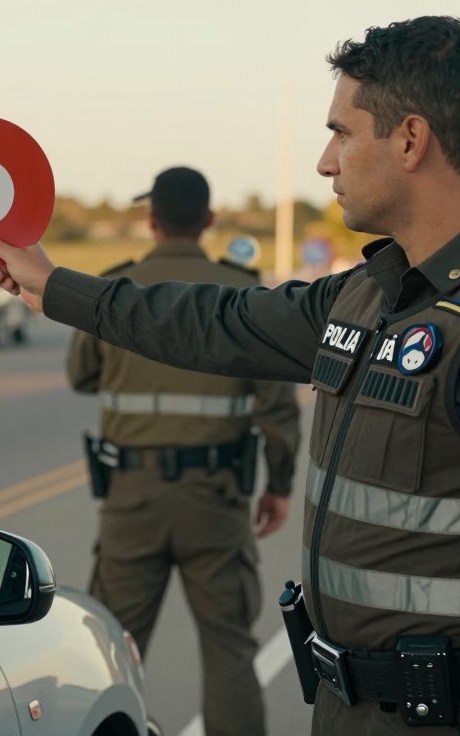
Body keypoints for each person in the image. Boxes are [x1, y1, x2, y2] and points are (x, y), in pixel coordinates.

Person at [0, 16, 460, 736]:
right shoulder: (366, 295)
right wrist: (56, 287)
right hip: (341, 708)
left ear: (411, 140)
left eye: (342, 133)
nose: (326, 162)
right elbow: (215, 322)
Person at [68, 166, 300, 736]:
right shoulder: (242, 289)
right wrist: (278, 484)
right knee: (229, 650)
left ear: (151, 222)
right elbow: (277, 405)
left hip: (132, 501)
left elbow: (81, 374)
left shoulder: (116, 289)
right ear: (210, 221)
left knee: (113, 652)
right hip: (216, 501)